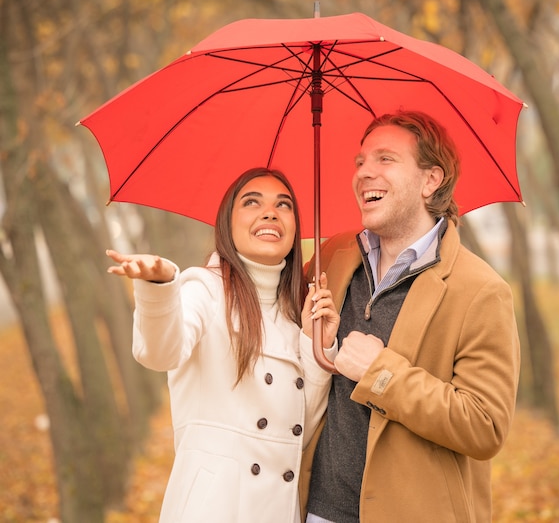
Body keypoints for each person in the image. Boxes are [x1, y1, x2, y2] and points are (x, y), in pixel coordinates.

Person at [300, 111, 521, 523]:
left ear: (431, 179)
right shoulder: (333, 255)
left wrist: (380, 374)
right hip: (318, 512)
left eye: (385, 159)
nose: (364, 172)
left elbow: (485, 425)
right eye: (360, 162)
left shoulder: (481, 291)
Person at [106, 167, 339, 523]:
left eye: (284, 204)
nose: (270, 212)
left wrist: (315, 344)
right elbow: (159, 353)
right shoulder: (204, 288)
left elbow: (300, 435)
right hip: (215, 509)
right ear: (226, 224)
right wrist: (159, 287)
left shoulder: (298, 316)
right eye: (251, 202)